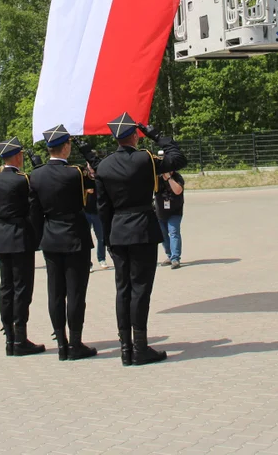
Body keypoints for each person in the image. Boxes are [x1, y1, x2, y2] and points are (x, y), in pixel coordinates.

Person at [96, 113, 186, 366]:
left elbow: (103, 209)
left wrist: (108, 240)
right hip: (143, 229)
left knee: (122, 290)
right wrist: (156, 135)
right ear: (135, 135)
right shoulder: (145, 159)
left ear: (116, 138)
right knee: (141, 290)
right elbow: (179, 158)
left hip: (118, 232)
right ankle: (140, 347)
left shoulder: (103, 166)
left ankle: (125, 348)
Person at [29, 125, 97, 361]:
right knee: (76, 293)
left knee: (55, 293)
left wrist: (39, 239)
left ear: (48, 148)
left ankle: (61, 343)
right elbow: (89, 202)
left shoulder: (35, 176)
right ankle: (75, 343)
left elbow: (34, 213)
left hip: (51, 238)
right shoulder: (76, 173)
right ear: (66, 146)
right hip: (75, 237)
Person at [0, 137, 45, 357]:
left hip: (3, 238)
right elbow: (33, 212)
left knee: (6, 289)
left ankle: (9, 338)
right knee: (22, 289)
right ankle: (20, 338)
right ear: (18, 156)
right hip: (21, 237)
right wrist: (35, 237)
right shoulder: (23, 180)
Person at [155, 161, 185, 269]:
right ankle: (169, 255)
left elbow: (178, 191)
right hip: (160, 212)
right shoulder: (156, 179)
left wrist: (168, 178)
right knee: (162, 236)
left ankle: (175, 258)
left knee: (173, 232)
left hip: (175, 211)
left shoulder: (177, 177)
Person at [83, 162, 109, 270]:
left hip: (98, 212)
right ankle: (87, 262)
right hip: (86, 212)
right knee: (85, 239)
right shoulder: (83, 177)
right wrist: (85, 190)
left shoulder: (100, 176)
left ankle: (101, 259)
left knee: (101, 238)